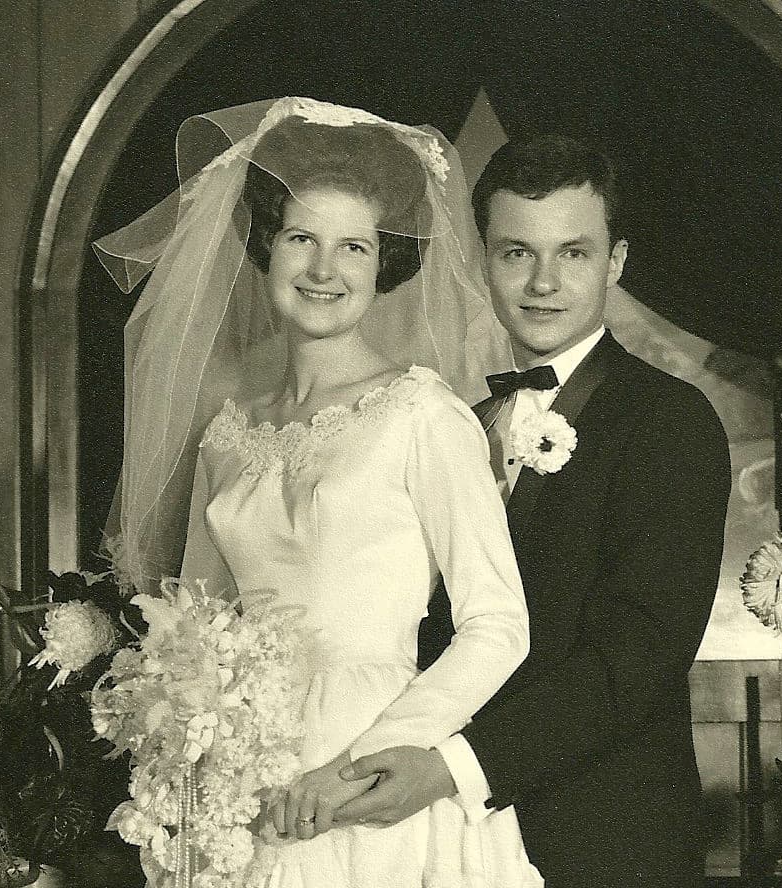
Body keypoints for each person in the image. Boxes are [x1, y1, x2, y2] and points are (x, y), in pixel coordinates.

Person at [95, 97, 543, 887]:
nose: (324, 269)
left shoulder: (422, 415)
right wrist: (190, 768)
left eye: (354, 247)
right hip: (244, 773)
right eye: (302, 238)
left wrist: (361, 766)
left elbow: (498, 626)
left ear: (383, 263)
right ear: (266, 248)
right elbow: (192, 627)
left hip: (370, 765)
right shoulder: (226, 436)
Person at [329, 134, 733, 888]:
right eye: (517, 253)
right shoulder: (458, 421)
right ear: (484, 259)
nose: (543, 282)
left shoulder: (670, 420)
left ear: (616, 262)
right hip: (449, 841)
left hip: (604, 843)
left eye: (573, 254)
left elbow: (637, 657)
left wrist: (450, 769)